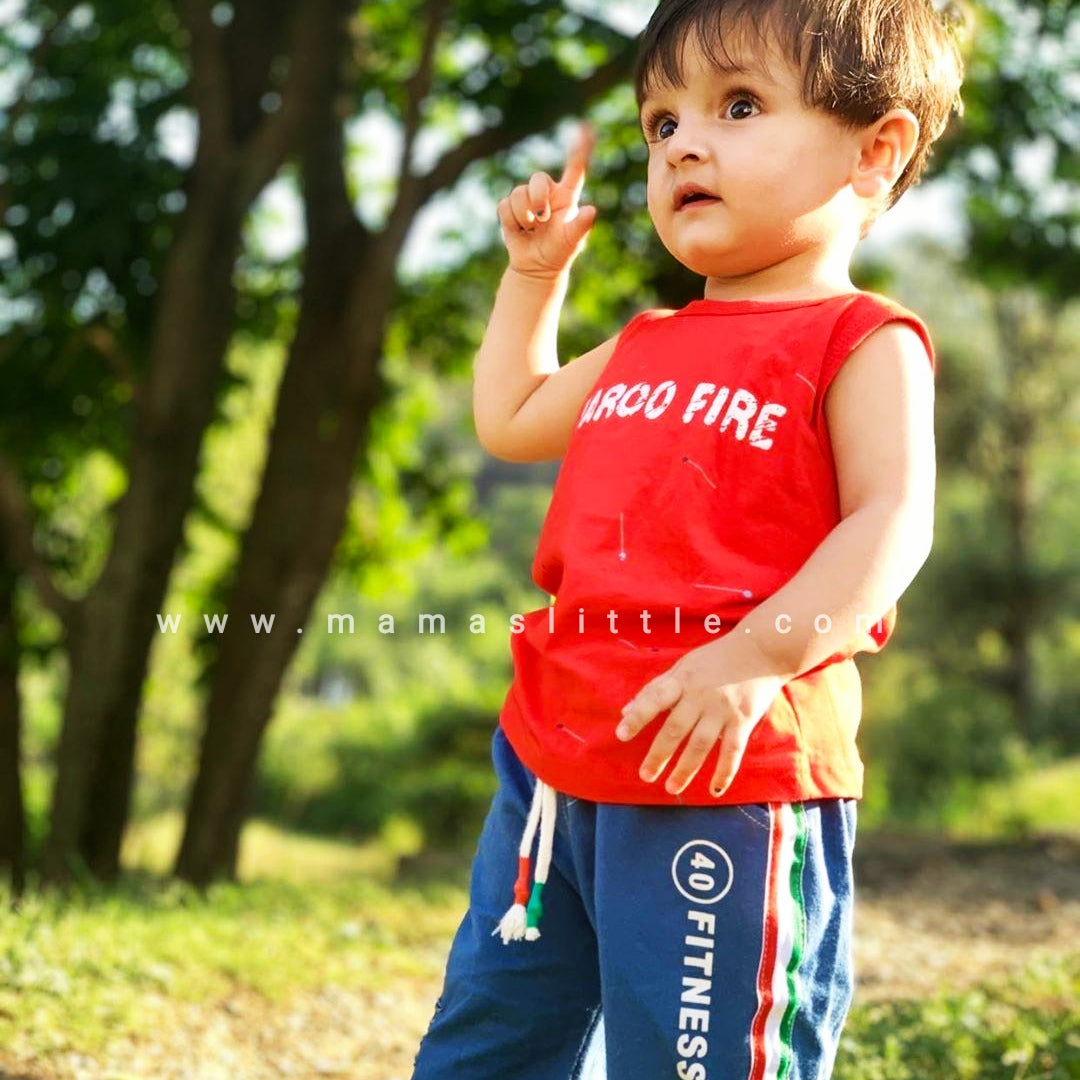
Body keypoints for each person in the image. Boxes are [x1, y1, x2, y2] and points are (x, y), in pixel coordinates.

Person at [411, 0, 967, 1076]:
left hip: (725, 770)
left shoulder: (862, 340)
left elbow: (893, 521)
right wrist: (533, 279)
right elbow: (511, 417)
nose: (682, 146)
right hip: (553, 766)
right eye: (661, 123)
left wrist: (756, 656)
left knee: (693, 1059)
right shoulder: (646, 341)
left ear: (875, 150)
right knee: (486, 1042)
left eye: (739, 105)